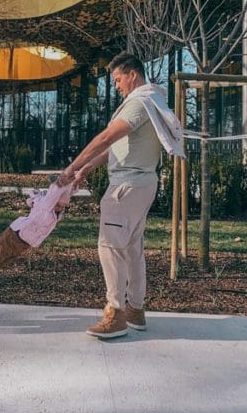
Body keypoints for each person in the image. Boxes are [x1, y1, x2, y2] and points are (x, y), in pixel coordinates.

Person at [57, 52, 183, 339]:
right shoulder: (153, 100)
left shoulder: (138, 103)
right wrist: (87, 168)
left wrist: (71, 167)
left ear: (132, 75)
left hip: (126, 188)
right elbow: (117, 146)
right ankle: (135, 310)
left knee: (109, 246)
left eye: (117, 79)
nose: (115, 86)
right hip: (141, 183)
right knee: (131, 248)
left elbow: (106, 137)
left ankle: (115, 313)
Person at [0, 181, 73, 299]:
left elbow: (68, 192)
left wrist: (75, 182)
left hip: (25, 242)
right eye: (58, 204)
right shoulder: (46, 205)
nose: (60, 207)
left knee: (4, 261)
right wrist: (68, 175)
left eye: (63, 206)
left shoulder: (55, 213)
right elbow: (55, 190)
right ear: (53, 199)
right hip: (15, 234)